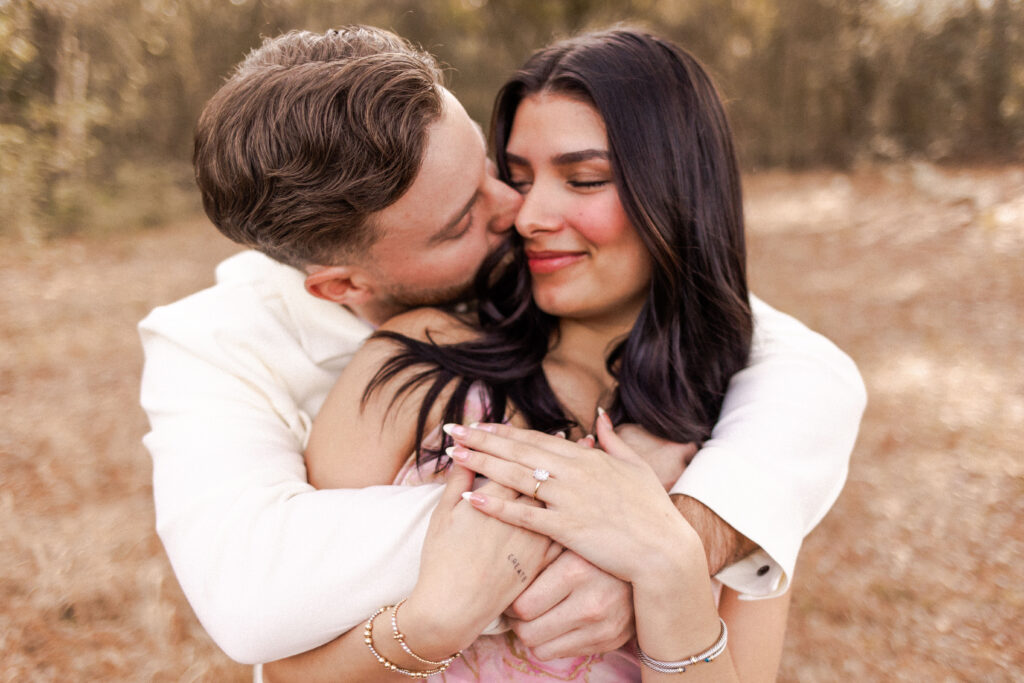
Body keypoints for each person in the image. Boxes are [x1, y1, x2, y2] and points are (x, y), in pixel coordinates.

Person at [137, 25, 866, 672]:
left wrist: (679, 540)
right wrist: (592, 506)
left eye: (495, 170)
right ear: (340, 284)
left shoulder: (728, 420)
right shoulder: (234, 348)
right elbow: (255, 603)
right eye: (466, 216)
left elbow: (804, 371)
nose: (522, 211)